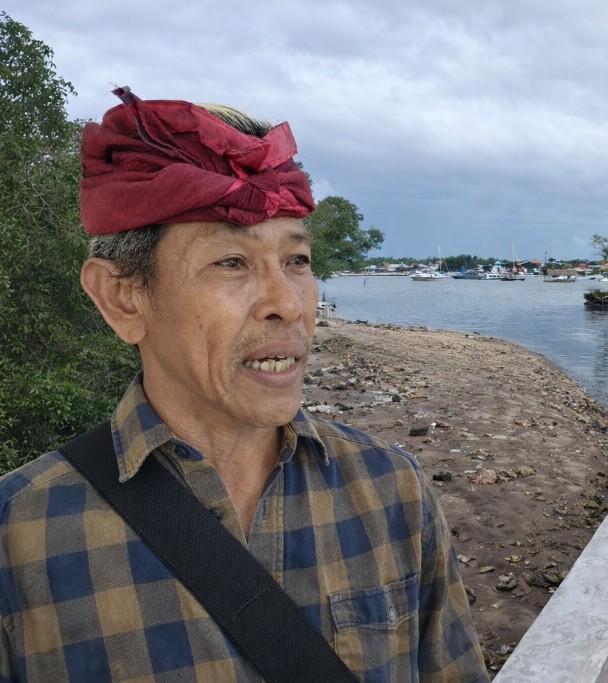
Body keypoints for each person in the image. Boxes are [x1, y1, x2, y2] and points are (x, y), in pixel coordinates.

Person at [0, 87, 488, 682]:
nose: (289, 303)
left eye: (298, 261)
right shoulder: (19, 538)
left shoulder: (394, 494)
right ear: (122, 297)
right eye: (231, 262)